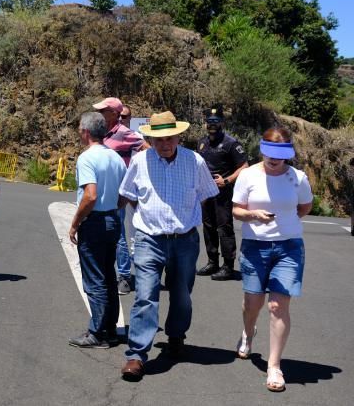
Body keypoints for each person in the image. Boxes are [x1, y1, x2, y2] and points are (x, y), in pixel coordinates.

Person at [118, 111, 219, 382]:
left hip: (184, 240)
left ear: (178, 136)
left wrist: (187, 218)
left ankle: (176, 336)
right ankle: (137, 355)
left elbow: (207, 195)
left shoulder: (194, 161)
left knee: (182, 295)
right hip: (149, 239)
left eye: (169, 138)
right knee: (145, 294)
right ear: (150, 139)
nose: (164, 143)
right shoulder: (140, 161)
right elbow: (127, 195)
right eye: (158, 139)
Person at [231, 127, 312, 393]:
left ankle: (274, 365)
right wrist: (254, 216)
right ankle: (248, 332)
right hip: (255, 247)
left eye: (280, 154)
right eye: (269, 153)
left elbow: (304, 207)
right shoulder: (248, 176)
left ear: (288, 153)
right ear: (262, 149)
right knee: (252, 303)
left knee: (277, 306)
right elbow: (236, 210)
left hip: (289, 247)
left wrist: (286, 224)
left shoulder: (297, 178)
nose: (274, 159)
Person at [67, 112, 127, 349]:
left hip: (94, 222)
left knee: (94, 279)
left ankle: (98, 332)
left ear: (86, 132)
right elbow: (124, 194)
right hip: (112, 219)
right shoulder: (115, 157)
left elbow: (90, 195)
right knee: (108, 276)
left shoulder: (87, 158)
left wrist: (75, 223)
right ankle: (110, 329)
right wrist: (113, 208)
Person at [93, 97, 148, 295]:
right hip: (101, 190)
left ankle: (124, 276)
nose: (100, 113)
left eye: (104, 110)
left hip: (119, 191)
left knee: (118, 235)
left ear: (114, 114)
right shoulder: (100, 133)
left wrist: (139, 175)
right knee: (103, 231)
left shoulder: (125, 133)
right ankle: (109, 274)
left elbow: (147, 150)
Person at [196, 105, 248, 281]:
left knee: (224, 228)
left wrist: (226, 180)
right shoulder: (202, 142)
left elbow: (244, 167)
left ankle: (228, 266)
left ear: (222, 122)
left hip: (223, 193)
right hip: (206, 193)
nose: (212, 125)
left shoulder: (231, 143)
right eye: (209, 121)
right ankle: (212, 262)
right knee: (208, 227)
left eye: (216, 121)